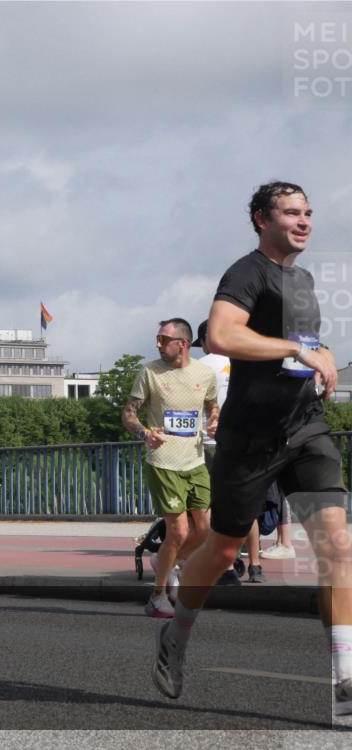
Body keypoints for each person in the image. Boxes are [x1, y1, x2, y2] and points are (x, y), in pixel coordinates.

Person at [150, 182, 352, 716]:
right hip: (251, 437)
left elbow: (301, 345)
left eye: (309, 212)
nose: (304, 220)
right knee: (220, 549)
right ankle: (176, 640)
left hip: (306, 428)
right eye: (291, 212)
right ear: (262, 219)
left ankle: (345, 679)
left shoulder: (304, 279)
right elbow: (220, 336)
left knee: (337, 545)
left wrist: (320, 355)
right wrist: (293, 348)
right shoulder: (246, 272)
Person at [122, 318, 218, 618]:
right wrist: (144, 433)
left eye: (164, 339)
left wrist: (214, 419)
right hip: (163, 463)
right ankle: (157, 596)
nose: (158, 345)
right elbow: (128, 413)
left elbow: (212, 406)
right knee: (178, 531)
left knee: (205, 532)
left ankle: (168, 561)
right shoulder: (149, 372)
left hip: (196, 461)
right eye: (158, 339)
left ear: (183, 343)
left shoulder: (205, 373)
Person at [193, 320, 266, 585]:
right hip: (247, 440)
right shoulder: (245, 362)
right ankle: (256, 565)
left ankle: (224, 566)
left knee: (213, 505)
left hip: (213, 442)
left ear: (204, 341)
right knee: (247, 505)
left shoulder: (200, 367)